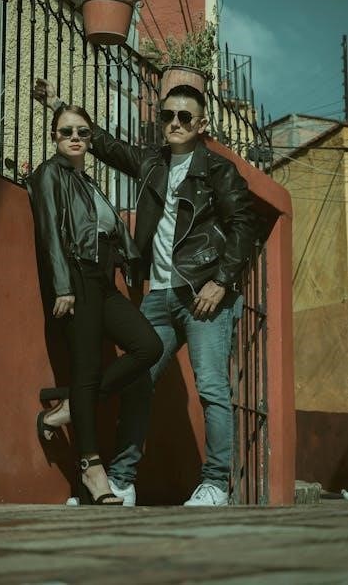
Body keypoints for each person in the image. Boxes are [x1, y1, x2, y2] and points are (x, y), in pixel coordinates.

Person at [34, 79, 257, 507]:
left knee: (211, 387)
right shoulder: (152, 162)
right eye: (167, 115)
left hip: (204, 292)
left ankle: (215, 483)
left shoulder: (219, 171)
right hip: (160, 294)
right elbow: (105, 145)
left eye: (185, 116)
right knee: (138, 381)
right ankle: (121, 479)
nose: (175, 122)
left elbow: (244, 225)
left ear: (201, 124)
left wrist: (221, 281)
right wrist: (58, 104)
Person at [26, 103, 163, 505]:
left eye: (82, 132)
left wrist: (128, 259)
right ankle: (91, 469)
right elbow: (50, 233)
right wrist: (62, 286)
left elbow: (107, 230)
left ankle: (68, 408)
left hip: (102, 281)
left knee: (148, 346)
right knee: (85, 371)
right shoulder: (49, 174)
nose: (74, 138)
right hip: (76, 278)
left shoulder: (86, 181)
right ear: (53, 136)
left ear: (90, 139)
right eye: (66, 131)